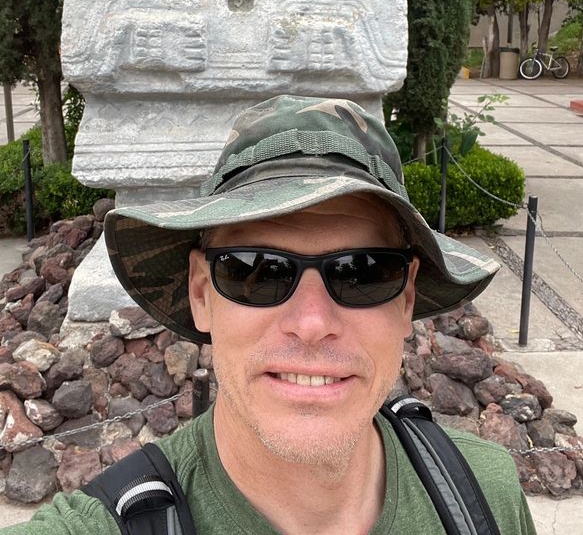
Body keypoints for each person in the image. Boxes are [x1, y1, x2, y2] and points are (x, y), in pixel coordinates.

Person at [3, 95, 537, 534]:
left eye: (363, 272)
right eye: (256, 270)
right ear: (201, 293)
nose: (311, 323)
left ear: (406, 299)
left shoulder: (484, 498)